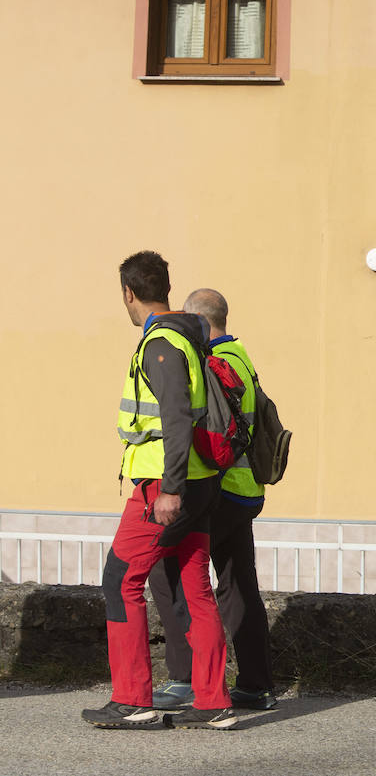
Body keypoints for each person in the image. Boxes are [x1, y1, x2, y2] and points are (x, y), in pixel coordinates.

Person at [82, 252, 236, 730]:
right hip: (200, 483)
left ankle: (133, 700)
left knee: (120, 581)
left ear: (129, 293)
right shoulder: (187, 338)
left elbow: (174, 418)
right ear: (165, 287)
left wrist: (168, 490)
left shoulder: (161, 344)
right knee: (196, 589)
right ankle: (213, 704)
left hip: (165, 488)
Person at [148, 289, 276, 712]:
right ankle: (256, 685)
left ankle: (185, 678)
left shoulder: (213, 360)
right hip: (246, 491)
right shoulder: (241, 355)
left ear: (197, 318)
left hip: (219, 489)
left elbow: (206, 428)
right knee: (238, 587)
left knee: (170, 570)